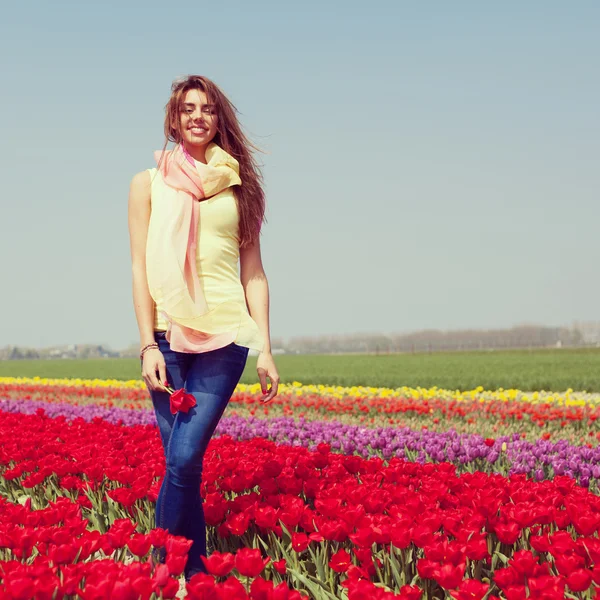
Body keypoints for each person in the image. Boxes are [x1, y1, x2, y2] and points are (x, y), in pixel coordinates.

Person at [127, 75, 279, 580]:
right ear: (174, 119)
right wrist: (148, 342)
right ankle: (192, 574)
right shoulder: (147, 184)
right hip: (168, 341)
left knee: (186, 455)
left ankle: (160, 568)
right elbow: (140, 267)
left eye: (208, 109)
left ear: (219, 119)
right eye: (188, 108)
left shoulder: (240, 188)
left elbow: (253, 273)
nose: (198, 116)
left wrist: (265, 348)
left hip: (226, 336)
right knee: (181, 465)